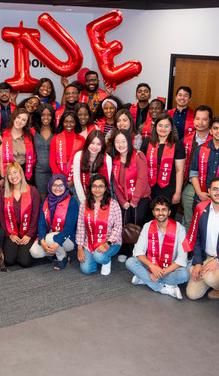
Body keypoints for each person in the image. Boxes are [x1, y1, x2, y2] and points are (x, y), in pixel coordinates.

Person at [125, 196, 189, 299]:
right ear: (153, 212)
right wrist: (153, 267)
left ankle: (144, 278)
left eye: (164, 209)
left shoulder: (180, 229)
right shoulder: (148, 226)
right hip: (151, 265)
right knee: (130, 262)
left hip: (169, 268)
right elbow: (138, 252)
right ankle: (163, 288)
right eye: (157, 210)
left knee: (185, 274)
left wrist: (161, 273)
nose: (160, 213)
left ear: (169, 212)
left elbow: (182, 258)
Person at [110, 129, 151, 261]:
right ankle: (124, 250)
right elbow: (115, 183)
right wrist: (122, 201)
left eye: (123, 141)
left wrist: (134, 200)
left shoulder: (138, 156)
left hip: (140, 198)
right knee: (123, 223)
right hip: (124, 198)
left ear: (129, 141)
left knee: (137, 223)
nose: (120, 144)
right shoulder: (114, 160)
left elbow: (142, 179)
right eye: (117, 142)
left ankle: (137, 252)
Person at [75, 174, 122, 275]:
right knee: (86, 269)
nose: (97, 189)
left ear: (105, 188)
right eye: (94, 186)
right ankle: (97, 257)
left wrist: (108, 243)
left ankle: (105, 260)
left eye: (100, 186)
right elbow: (80, 226)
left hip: (111, 242)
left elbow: (118, 227)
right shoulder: (84, 204)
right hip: (90, 243)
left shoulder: (113, 204)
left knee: (99, 256)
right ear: (90, 188)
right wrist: (79, 247)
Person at [140, 113, 186, 216]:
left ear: (171, 128)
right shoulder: (147, 142)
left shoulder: (177, 144)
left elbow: (179, 170)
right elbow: (140, 166)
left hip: (169, 188)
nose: (163, 129)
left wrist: (178, 192)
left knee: (167, 218)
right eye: (160, 125)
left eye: (167, 126)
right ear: (155, 127)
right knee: (148, 217)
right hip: (149, 187)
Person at [32, 174, 80, 269]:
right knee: (35, 252)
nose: (58, 188)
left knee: (51, 238)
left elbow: (68, 228)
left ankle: (63, 257)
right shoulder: (46, 201)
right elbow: (41, 223)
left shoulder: (72, 202)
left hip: (68, 238)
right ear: (50, 186)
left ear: (65, 186)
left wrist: (56, 243)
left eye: (61, 185)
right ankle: (54, 251)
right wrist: (42, 241)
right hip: (50, 234)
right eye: (55, 185)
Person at [0, 163, 41, 268]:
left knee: (24, 262)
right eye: (9, 174)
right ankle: (16, 249)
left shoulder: (32, 191)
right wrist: (9, 234)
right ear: (7, 177)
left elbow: (36, 216)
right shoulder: (4, 193)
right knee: (8, 260)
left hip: (28, 229)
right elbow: (2, 216)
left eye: (15, 172)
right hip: (12, 229)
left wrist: (30, 234)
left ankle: (22, 251)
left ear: (21, 173)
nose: (13, 176)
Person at [180, 105, 212, 230]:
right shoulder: (186, 140)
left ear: (210, 120)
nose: (200, 122)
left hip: (209, 188)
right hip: (190, 185)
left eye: (204, 119)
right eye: (197, 119)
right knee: (188, 219)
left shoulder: (215, 140)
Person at [72, 130, 113, 202]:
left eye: (98, 144)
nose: (95, 147)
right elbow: (77, 180)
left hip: (101, 196)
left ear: (102, 145)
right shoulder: (78, 156)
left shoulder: (107, 159)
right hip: (81, 193)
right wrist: (83, 200)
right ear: (87, 143)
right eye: (92, 143)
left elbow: (107, 181)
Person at [1, 107, 37, 189]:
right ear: (14, 118)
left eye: (23, 120)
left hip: (24, 171)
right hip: (8, 171)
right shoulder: (2, 135)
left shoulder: (30, 137)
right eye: (18, 117)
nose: (20, 121)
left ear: (26, 123)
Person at [50, 110, 85, 187]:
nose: (68, 124)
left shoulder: (81, 140)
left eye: (71, 122)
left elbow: (82, 162)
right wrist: (60, 178)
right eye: (66, 122)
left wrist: (72, 180)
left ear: (76, 123)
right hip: (58, 173)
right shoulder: (55, 138)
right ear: (62, 123)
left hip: (75, 175)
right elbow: (52, 162)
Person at [33, 103, 56, 197]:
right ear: (39, 116)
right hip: (39, 172)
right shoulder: (33, 132)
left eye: (49, 115)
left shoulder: (57, 132)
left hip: (55, 171)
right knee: (42, 200)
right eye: (43, 114)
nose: (46, 117)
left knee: (54, 198)